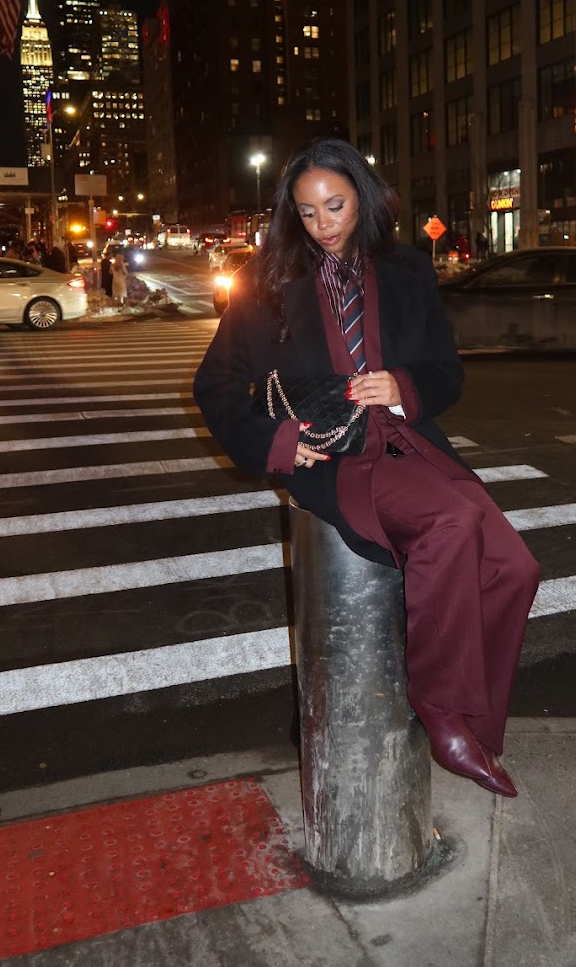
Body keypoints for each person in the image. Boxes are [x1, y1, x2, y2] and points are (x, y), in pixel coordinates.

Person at [193, 137, 540, 799]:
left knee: (515, 568)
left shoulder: (405, 272)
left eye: (335, 205)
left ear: (364, 197)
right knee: (450, 523)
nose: (322, 224)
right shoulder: (268, 282)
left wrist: (403, 387)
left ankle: (479, 723)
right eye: (307, 212)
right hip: (333, 456)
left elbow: (446, 371)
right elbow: (216, 385)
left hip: (409, 442)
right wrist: (277, 444)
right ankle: (443, 712)